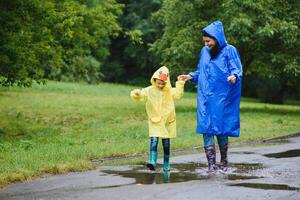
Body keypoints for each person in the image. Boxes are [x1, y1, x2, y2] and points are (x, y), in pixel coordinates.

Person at [178, 21, 243, 173]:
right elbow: (201, 71)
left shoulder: (229, 50)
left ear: (217, 38)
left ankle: (224, 160)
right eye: (205, 42)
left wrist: (234, 76)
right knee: (206, 128)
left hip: (222, 96)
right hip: (205, 97)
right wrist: (190, 76)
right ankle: (211, 165)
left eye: (208, 41)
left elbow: (237, 68)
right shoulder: (204, 51)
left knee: (220, 128)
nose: (206, 44)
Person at [130, 66, 185, 172]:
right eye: (158, 83)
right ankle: (152, 161)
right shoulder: (149, 90)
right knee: (154, 140)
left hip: (167, 122)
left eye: (163, 83)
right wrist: (136, 93)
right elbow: (141, 95)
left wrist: (180, 83)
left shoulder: (169, 91)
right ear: (154, 80)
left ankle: (166, 164)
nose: (160, 85)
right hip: (155, 120)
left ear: (166, 82)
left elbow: (178, 94)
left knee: (166, 143)